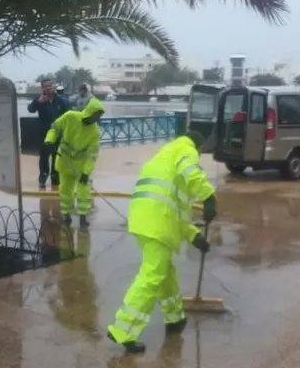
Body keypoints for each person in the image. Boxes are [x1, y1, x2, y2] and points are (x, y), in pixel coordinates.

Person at [106, 131, 217, 354]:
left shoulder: (164, 156)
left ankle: (174, 318)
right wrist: (208, 196)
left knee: (165, 271)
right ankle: (123, 330)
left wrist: (195, 236)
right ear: (198, 147)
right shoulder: (186, 150)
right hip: (157, 221)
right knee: (152, 274)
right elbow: (192, 173)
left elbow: (177, 211)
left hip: (145, 219)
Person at [44, 97, 104, 227]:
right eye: (96, 114)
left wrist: (86, 172)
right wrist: (49, 140)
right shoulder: (70, 117)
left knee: (84, 191)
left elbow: (92, 154)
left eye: (99, 115)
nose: (97, 118)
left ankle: (83, 216)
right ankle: (66, 215)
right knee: (65, 189)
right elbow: (55, 128)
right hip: (65, 161)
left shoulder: (95, 131)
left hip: (81, 167)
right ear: (90, 111)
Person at [28, 79, 70, 190]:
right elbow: (30, 109)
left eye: (50, 86)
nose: (48, 88)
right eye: (45, 86)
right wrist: (38, 102)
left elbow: (69, 115)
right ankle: (42, 179)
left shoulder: (61, 100)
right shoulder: (39, 99)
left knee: (57, 158)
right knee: (44, 158)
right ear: (42, 88)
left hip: (58, 135)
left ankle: (55, 181)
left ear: (53, 87)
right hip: (44, 134)